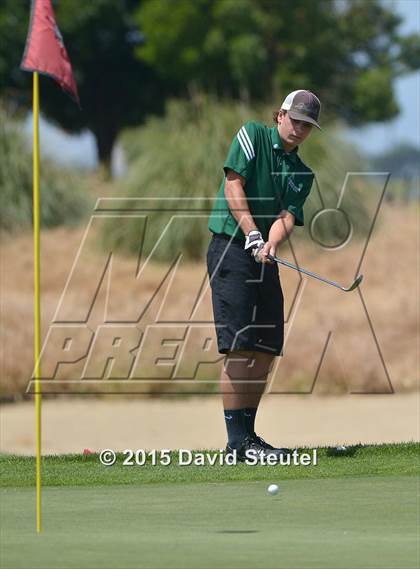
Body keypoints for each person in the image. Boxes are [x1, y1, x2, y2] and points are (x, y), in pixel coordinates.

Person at [206, 90, 321, 461]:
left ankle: (249, 437)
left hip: (263, 257)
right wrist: (251, 232)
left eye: (308, 125)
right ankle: (235, 442)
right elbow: (233, 183)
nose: (300, 129)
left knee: (266, 347)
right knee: (239, 347)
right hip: (230, 248)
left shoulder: (302, 173)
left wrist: (269, 243)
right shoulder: (252, 134)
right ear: (281, 115)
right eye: (296, 120)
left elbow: (287, 217)